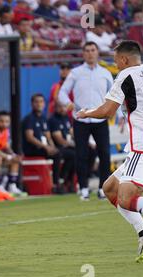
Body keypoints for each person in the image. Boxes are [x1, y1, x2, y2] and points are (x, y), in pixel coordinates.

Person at [76, 40, 143, 263]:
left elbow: (106, 111)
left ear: (124, 59)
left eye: (116, 61)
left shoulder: (126, 76)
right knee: (110, 188)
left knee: (125, 199)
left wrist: (86, 113)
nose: (116, 66)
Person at [58, 42, 113, 201]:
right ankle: (83, 188)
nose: (90, 53)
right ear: (83, 54)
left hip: (99, 118)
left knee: (104, 154)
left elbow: (115, 94)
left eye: (93, 50)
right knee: (81, 155)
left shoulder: (105, 73)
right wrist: (66, 102)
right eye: (87, 50)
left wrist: (121, 116)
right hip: (80, 119)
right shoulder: (75, 73)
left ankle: (103, 188)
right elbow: (63, 92)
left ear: (97, 53)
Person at [22, 93, 62, 193]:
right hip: (32, 150)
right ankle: (56, 184)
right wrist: (46, 147)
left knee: (67, 153)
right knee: (57, 155)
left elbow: (48, 136)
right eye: (36, 102)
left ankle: (64, 180)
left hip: (43, 148)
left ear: (44, 104)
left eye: (41, 102)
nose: (39, 104)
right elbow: (29, 137)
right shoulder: (29, 119)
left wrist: (52, 146)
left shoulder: (44, 119)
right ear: (32, 104)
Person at [48, 102, 76, 192]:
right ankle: (59, 181)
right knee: (72, 154)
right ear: (55, 108)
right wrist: (73, 144)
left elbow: (72, 132)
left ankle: (69, 180)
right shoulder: (53, 120)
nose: (63, 109)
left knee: (81, 152)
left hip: (66, 146)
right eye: (60, 107)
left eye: (64, 106)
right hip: (58, 147)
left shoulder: (66, 118)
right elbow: (59, 139)